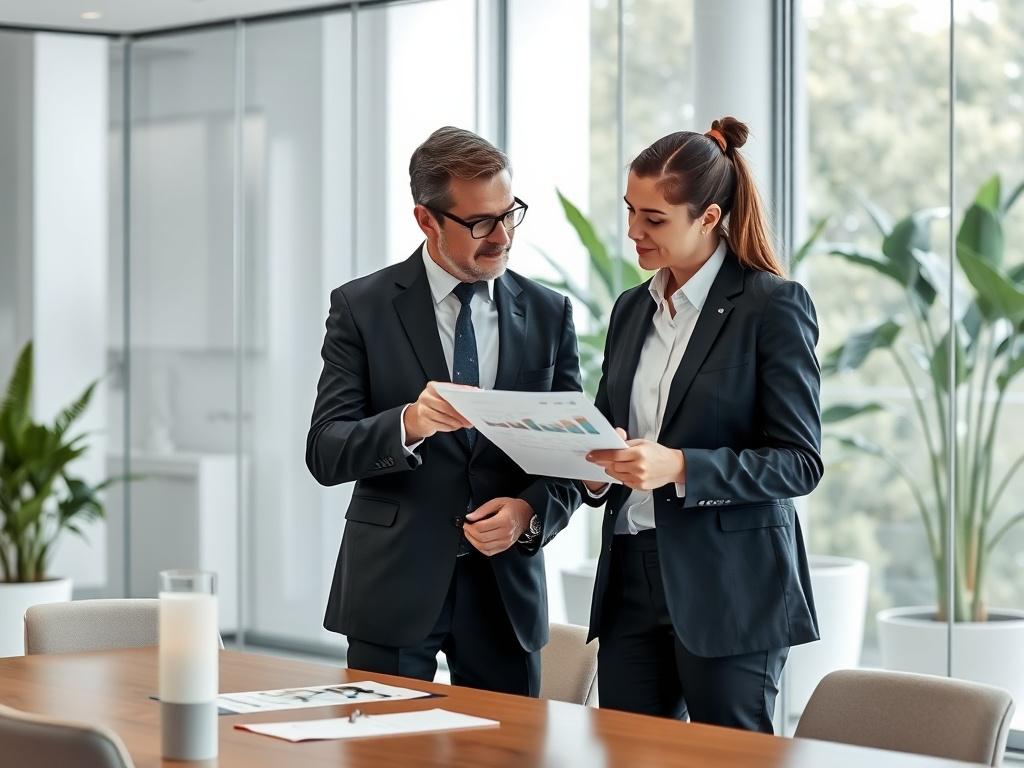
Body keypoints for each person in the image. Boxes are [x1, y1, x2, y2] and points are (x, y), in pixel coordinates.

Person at [306, 126, 582, 696]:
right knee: (384, 757)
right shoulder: (361, 308)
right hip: (393, 587)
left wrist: (530, 513)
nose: (502, 236)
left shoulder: (549, 313)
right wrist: (408, 422)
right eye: (481, 222)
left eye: (510, 214)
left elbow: (572, 456)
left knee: (509, 757)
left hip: (506, 592)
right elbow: (326, 450)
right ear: (426, 220)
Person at [580, 117, 822, 732]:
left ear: (709, 218)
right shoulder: (631, 309)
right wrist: (590, 466)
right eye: (630, 211)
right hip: (632, 573)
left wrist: (680, 466)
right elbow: (613, 428)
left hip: (730, 587)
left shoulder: (771, 306)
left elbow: (799, 462)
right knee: (629, 752)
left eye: (654, 219)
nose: (633, 231)